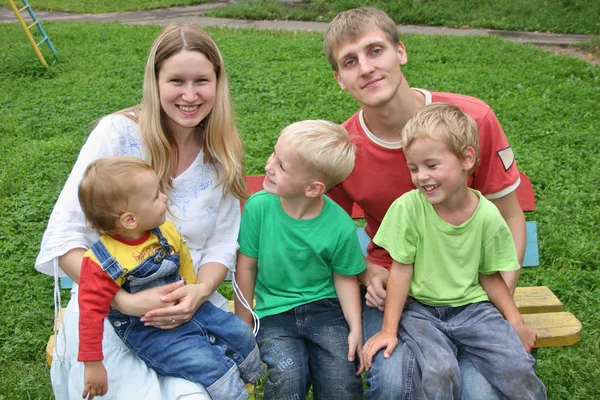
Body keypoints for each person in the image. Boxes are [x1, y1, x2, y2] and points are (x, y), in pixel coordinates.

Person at [323, 7, 527, 399]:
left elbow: (509, 216)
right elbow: (328, 231)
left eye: (375, 50)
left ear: (401, 51)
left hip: (470, 287)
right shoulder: (345, 149)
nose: (365, 68)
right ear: (340, 79)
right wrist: (367, 271)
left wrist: (498, 299)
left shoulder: (472, 119)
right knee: (395, 383)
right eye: (350, 61)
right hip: (398, 289)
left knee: (479, 393)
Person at [35, 23, 247, 399]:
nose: (190, 95)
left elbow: (222, 245)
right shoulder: (116, 134)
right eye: (176, 81)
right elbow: (65, 236)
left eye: (202, 80)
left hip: (186, 308)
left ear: (218, 81)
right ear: (155, 80)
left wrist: (198, 292)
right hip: (109, 312)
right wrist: (125, 301)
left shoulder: (222, 153)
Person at [361, 102, 546, 399]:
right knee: (438, 373)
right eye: (413, 167)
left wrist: (516, 322)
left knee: (516, 366)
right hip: (422, 312)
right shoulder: (408, 208)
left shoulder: (486, 215)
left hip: (475, 311)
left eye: (431, 165)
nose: (422, 176)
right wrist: (388, 330)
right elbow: (400, 270)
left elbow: (490, 276)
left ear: (466, 159)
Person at [77, 157, 264, 400]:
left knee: (239, 332)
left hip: (190, 306)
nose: (165, 197)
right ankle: (234, 394)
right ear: (129, 219)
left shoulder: (165, 231)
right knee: (207, 363)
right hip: (149, 329)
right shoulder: (101, 261)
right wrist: (92, 364)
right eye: (156, 196)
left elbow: (183, 259)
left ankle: (253, 374)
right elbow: (89, 314)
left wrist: (193, 292)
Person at [234, 120, 365, 399]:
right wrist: (242, 322)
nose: (269, 166)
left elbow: (344, 277)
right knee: (288, 376)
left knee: (341, 382)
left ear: (313, 189)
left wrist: (355, 328)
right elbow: (246, 265)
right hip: (274, 313)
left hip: (326, 311)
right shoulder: (258, 208)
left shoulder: (340, 225)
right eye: (274, 154)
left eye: (281, 166)